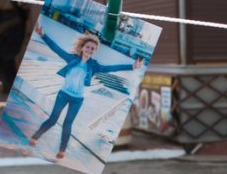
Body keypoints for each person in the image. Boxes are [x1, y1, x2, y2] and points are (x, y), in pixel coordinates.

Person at [29, 22, 144, 159]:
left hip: (77, 99)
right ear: (82, 48)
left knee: (67, 123)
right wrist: (42, 35)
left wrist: (132, 66)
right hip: (63, 95)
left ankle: (62, 150)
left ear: (95, 51)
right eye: (88, 47)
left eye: (93, 49)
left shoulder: (94, 66)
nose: (90, 50)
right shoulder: (71, 58)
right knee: (53, 119)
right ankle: (36, 137)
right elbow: (56, 48)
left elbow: (112, 68)